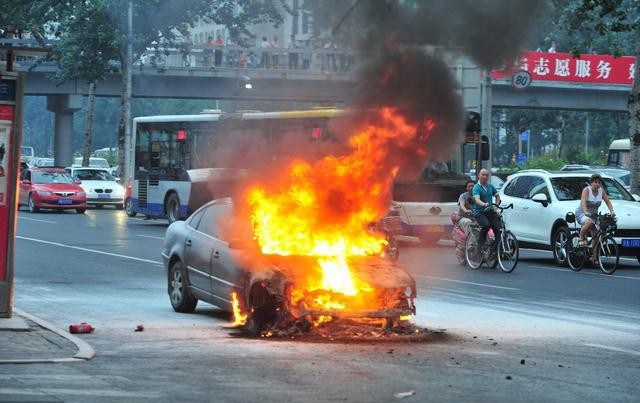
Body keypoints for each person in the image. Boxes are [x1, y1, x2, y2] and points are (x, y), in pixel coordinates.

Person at [576, 173, 615, 247]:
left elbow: (608, 201)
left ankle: (594, 258)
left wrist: (612, 211)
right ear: (591, 183)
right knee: (589, 223)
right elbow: (583, 202)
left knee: (597, 237)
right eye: (595, 182)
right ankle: (581, 238)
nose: (597, 184)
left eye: (599, 182)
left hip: (594, 215)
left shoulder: (601, 191)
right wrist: (586, 212)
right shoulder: (587, 190)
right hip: (582, 213)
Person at [472, 169, 501, 249]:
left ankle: (494, 249)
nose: (485, 176)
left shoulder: (490, 186)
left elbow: (497, 196)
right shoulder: (476, 187)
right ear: (479, 176)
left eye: (487, 175)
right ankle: (479, 246)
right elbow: (477, 199)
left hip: (490, 211)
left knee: (498, 229)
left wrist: (496, 206)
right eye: (483, 174)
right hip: (479, 212)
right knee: (486, 225)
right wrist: (483, 204)